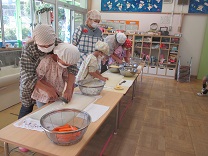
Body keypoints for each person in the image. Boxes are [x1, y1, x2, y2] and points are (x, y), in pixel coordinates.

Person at [18, 24, 78, 119]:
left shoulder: (59, 44)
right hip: (32, 87)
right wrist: (47, 89)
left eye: (50, 45)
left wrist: (69, 88)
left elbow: (71, 65)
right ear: (36, 42)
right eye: (42, 46)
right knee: (27, 108)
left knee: (47, 112)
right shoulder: (29, 48)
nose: (47, 48)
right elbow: (28, 76)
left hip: (52, 89)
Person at [31, 43, 80, 108]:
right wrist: (49, 89)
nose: (67, 66)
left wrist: (69, 90)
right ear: (59, 56)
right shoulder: (46, 62)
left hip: (56, 96)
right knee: (44, 111)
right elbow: (37, 79)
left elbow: (68, 79)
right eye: (66, 64)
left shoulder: (63, 64)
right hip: (42, 96)